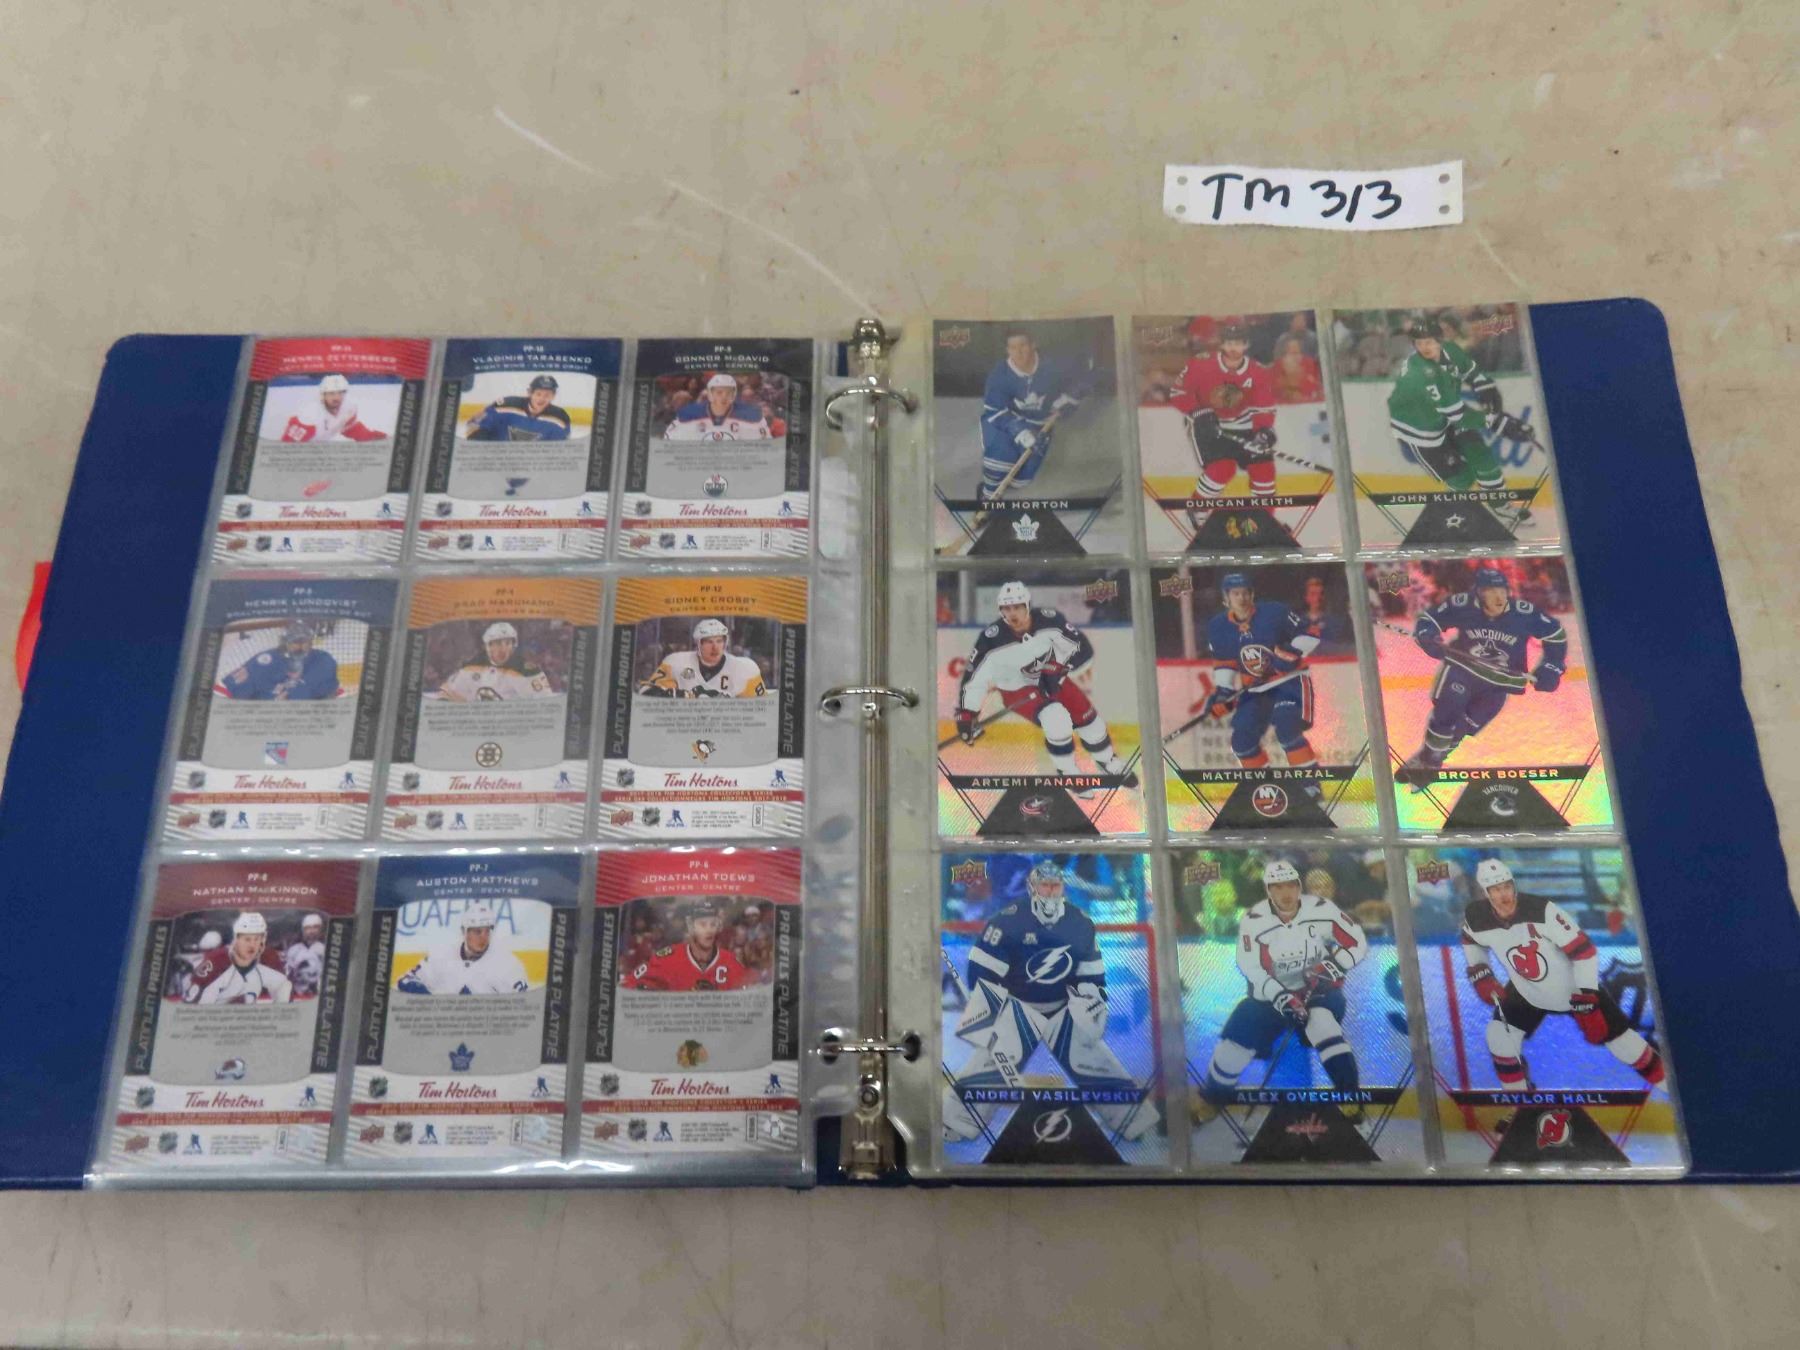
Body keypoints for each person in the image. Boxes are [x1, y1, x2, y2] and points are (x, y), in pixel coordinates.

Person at [943, 862, 1156, 1142]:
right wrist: (989, 1010)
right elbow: (982, 968)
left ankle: (1132, 1121)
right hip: (1020, 1006)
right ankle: (957, 1122)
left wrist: (1091, 1001)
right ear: (1032, 887)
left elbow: (1091, 972)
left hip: (1062, 1006)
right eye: (1044, 886)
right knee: (994, 1061)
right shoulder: (1007, 921)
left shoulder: (1079, 922)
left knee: (1093, 1060)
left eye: (1055, 886)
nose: (1051, 892)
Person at [1459, 858, 1664, 1091]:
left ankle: (1671, 1086)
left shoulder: (1542, 910)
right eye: (1496, 889)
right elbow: (1470, 940)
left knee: (1626, 1047)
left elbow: (1584, 951)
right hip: (1526, 990)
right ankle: (1521, 1104)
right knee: (1499, 1037)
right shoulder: (1476, 916)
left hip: (1572, 987)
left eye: (1507, 886)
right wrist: (1480, 970)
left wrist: (1586, 996)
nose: (1504, 894)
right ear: (1485, 893)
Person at [1192, 860, 1369, 1123]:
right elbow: (1250, 965)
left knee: (1323, 1025)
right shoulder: (1254, 919)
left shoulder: (1322, 909)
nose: (1285, 893)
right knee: (1234, 1047)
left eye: (1290, 886)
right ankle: (1214, 1098)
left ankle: (1350, 1098)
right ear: (1268, 890)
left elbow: (1357, 942)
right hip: (1270, 998)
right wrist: (1279, 995)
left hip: (1318, 993)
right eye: (1277, 887)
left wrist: (1333, 966)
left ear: (1299, 887)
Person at [953, 581, 1138, 796]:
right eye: (1006, 608)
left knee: (1090, 720)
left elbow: (1081, 648)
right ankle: (1068, 771)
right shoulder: (991, 639)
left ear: (1027, 605)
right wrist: (967, 713)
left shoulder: (1049, 620)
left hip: (1053, 679)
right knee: (1056, 718)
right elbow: (973, 678)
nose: (1012, 614)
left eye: (1017, 607)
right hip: (1017, 690)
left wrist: (1058, 668)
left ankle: (1107, 761)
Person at [1405, 567, 1566, 783]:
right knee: (1447, 710)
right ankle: (1429, 760)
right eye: (1491, 592)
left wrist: (1552, 666)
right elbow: (1430, 619)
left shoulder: (1523, 613)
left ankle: (1432, 755)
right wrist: (1427, 635)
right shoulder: (1463, 605)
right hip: (1463, 670)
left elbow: (1555, 634)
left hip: (1499, 683)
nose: (1498, 597)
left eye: (1502, 591)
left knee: (1463, 727)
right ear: (1479, 594)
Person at [1387, 314, 1534, 493]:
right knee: (1462, 480)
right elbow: (1458, 416)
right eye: (1419, 343)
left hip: (1444, 417)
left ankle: (1499, 504)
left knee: (1482, 458)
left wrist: (1485, 387)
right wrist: (1499, 422)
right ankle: (1456, 499)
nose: (1424, 347)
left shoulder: (1450, 350)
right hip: (1419, 429)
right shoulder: (1421, 372)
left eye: (1429, 341)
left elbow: (1470, 371)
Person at [1201, 573, 1323, 786]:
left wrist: (1288, 654)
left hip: (1289, 682)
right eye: (1235, 593)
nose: (1241, 598)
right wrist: (1223, 694)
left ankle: (1310, 789)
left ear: (1252, 594)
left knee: (1287, 727)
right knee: (1242, 742)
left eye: (1245, 593)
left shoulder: (1274, 612)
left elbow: (1311, 633)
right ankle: (1265, 790)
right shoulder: (1218, 627)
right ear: (1226, 598)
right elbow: (1225, 663)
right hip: (1256, 690)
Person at [1168, 319, 1277, 500]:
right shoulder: (1201, 364)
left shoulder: (1258, 372)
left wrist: (1263, 430)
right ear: (1222, 344)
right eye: (1229, 343)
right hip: (1207, 424)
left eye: (1238, 343)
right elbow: (1178, 393)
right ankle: (1198, 509)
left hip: (1243, 424)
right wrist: (1198, 412)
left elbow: (1264, 406)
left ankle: (1264, 515)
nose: (1233, 348)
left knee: (1264, 472)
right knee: (1222, 469)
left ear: (1246, 345)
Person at [976, 328, 1088, 504]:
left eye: (1023, 345)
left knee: (1021, 479)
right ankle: (987, 498)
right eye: (1013, 347)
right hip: (1005, 423)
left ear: (1033, 345)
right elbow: (995, 410)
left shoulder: (1052, 365)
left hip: (1039, 424)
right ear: (1007, 350)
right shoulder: (1000, 374)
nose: (1018, 352)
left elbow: (1081, 378)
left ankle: (999, 490)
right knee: (998, 464)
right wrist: (1020, 431)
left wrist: (1069, 400)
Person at [396, 903, 529, 996]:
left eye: (487, 931)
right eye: (477, 931)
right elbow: (405, 980)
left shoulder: (509, 965)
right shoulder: (441, 955)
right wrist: (430, 1002)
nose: (483, 938)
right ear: (463, 932)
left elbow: (524, 1005)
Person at [623, 899, 753, 990]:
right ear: (691, 927)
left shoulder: (730, 961)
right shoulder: (667, 958)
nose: (708, 930)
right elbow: (628, 984)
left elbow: (749, 997)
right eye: (702, 924)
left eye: (712, 924)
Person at [639, 618, 766, 698]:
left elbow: (762, 709)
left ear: (725, 643)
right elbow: (646, 693)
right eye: (709, 642)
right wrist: (672, 695)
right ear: (698, 644)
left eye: (719, 641)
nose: (715, 647)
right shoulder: (675, 663)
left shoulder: (744, 669)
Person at [188, 912, 293, 1004]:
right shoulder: (215, 959)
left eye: (257, 939)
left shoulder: (272, 957)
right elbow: (192, 997)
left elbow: (287, 997)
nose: (252, 945)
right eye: (247, 939)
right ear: (236, 939)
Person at [219, 622, 339, 700]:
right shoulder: (266, 661)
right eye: (295, 642)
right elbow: (229, 690)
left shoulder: (322, 660)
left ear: (311, 642)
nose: (300, 647)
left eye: (304, 642)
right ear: (285, 642)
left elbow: (330, 695)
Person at [434, 622, 552, 701]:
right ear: (488, 646)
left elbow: (545, 702)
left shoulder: (527, 671)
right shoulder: (471, 666)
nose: (503, 648)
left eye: (508, 643)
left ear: (514, 645)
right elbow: (449, 694)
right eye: (498, 643)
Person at [279, 373, 387, 443]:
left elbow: (350, 429)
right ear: (323, 395)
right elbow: (288, 448)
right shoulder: (309, 415)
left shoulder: (349, 407)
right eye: (331, 393)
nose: (336, 398)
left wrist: (369, 436)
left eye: (340, 393)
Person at [664, 373, 772, 441]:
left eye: (728, 392)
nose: (724, 396)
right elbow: (671, 438)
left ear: (734, 394)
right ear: (710, 394)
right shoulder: (690, 414)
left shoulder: (751, 415)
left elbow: (764, 442)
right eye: (719, 392)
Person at [464, 374, 571, 441]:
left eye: (547, 395)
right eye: (538, 394)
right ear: (529, 393)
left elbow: (561, 450)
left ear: (553, 396)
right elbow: (474, 424)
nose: (542, 399)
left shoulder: (560, 419)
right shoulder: (505, 406)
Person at [283, 913, 326, 997]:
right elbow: (288, 975)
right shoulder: (294, 950)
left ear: (321, 929)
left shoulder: (326, 948)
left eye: (315, 927)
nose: (311, 931)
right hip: (298, 995)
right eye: (308, 928)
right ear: (303, 930)